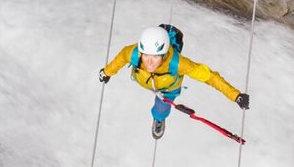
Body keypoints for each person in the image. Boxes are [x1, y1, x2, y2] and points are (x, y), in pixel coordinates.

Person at [99, 25, 250, 139]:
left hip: (168, 88)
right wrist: (106, 72)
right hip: (145, 80)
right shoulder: (131, 53)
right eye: (146, 55)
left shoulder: (178, 64)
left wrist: (235, 95)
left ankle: (158, 119)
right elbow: (118, 61)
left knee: (161, 110)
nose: (150, 62)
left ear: (164, 55)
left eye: (156, 57)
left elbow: (209, 76)